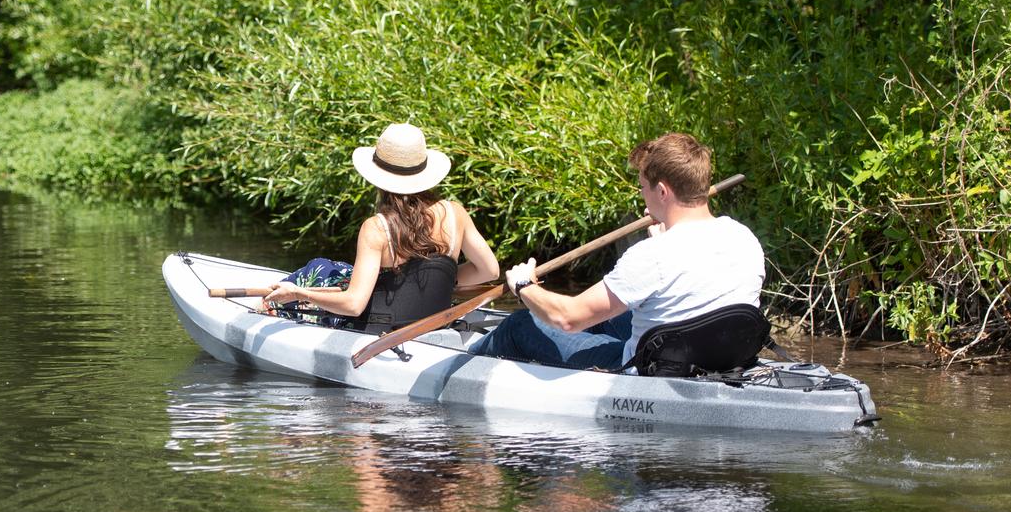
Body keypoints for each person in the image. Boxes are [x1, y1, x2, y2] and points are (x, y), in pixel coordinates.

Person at [473, 132, 764, 370]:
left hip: (644, 370)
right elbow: (693, 275)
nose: (642, 195)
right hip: (720, 358)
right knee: (614, 317)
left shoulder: (652, 255)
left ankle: (462, 359)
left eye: (642, 187)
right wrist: (664, 235)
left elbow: (568, 318)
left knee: (520, 324)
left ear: (662, 191)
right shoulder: (743, 237)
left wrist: (524, 286)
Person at [260, 123, 499, 331]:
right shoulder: (455, 213)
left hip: (381, 325)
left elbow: (354, 306)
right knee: (335, 269)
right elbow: (489, 271)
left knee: (317, 269)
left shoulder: (376, 228)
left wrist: (299, 293)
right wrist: (438, 282)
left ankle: (265, 304)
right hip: (432, 319)